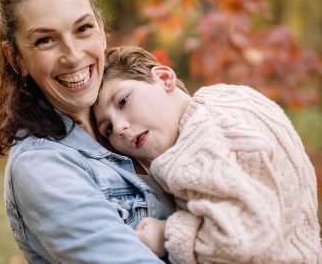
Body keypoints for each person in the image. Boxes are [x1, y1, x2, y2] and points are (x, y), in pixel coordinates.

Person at [0, 0, 175, 263]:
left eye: (83, 28)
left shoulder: (137, 110)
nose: (73, 56)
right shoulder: (41, 166)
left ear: (100, 29)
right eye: (45, 40)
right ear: (16, 59)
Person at [94, 45, 322, 264]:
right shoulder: (228, 100)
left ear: (164, 78)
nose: (120, 128)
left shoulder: (201, 138)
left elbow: (244, 241)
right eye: (108, 129)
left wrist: (166, 234)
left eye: (123, 101)